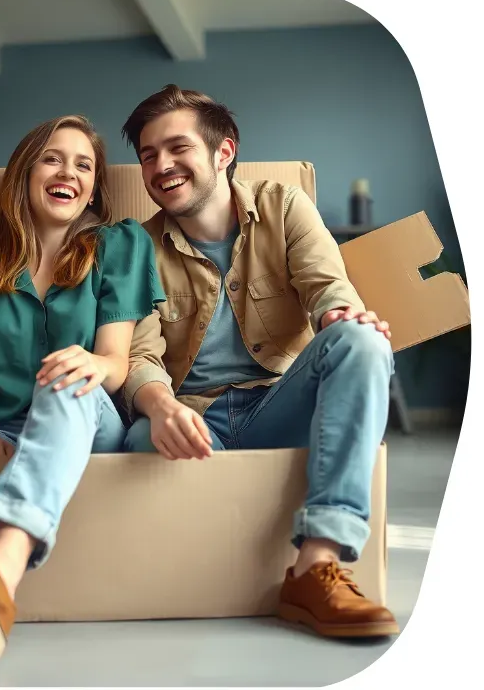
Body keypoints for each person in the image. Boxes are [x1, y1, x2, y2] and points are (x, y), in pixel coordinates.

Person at [118, 84, 400, 639]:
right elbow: (139, 353)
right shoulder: (134, 247)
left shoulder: (283, 205)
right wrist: (159, 408)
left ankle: (317, 564)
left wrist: (343, 320)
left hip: (278, 404)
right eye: (148, 155)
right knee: (134, 442)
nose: (161, 166)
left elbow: (328, 290)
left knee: (364, 340)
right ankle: (198, 577)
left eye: (177, 148)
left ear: (224, 152)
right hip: (195, 419)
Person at [0, 115, 166, 661]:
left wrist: (92, 364)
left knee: (64, 375)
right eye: (52, 158)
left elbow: (117, 364)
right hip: (1, 426)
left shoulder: (117, 247)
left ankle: (1, 570)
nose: (67, 172)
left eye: (83, 164)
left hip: (88, 416)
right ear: (26, 173)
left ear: (94, 188)